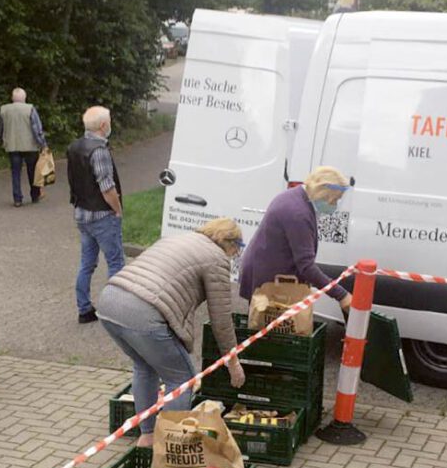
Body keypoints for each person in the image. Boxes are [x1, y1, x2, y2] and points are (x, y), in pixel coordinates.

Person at [97, 218, 247, 447]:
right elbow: (221, 319)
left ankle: (147, 436)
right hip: (143, 313)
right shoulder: (216, 258)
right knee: (181, 379)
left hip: (110, 300)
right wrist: (233, 361)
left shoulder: (178, 239)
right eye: (237, 247)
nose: (235, 254)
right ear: (228, 242)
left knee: (145, 367)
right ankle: (169, 447)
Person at [240, 166, 353, 312]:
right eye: (334, 200)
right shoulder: (298, 214)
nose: (334, 205)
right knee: (269, 328)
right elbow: (306, 266)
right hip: (268, 282)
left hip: (265, 272)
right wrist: (341, 295)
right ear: (324, 193)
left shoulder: (295, 196)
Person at [68, 106, 125, 324]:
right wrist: (117, 209)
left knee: (86, 263)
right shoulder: (99, 151)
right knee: (116, 262)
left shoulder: (74, 147)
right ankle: (114, 312)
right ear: (103, 125)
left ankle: (84, 308)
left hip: (82, 213)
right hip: (102, 215)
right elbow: (107, 187)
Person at [0, 88, 48, 207]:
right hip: (30, 146)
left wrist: (0, 140)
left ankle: (17, 198)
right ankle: (35, 195)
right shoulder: (30, 109)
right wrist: (43, 144)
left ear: (12, 98)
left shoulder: (4, 110)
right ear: (24, 98)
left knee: (15, 172)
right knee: (32, 171)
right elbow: (37, 129)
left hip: (12, 145)